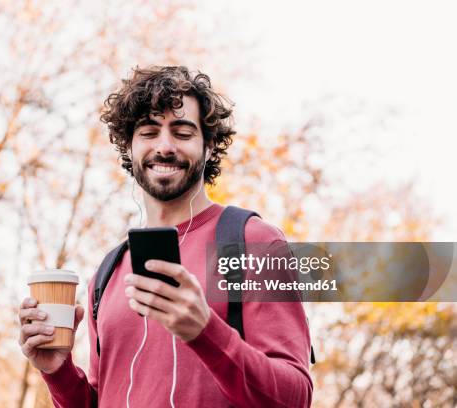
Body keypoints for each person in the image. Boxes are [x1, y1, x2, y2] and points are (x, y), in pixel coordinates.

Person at [18, 66, 313, 407]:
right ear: (127, 145)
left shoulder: (255, 242)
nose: (165, 146)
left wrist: (205, 331)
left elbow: (295, 398)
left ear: (209, 144)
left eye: (183, 132)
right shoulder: (107, 272)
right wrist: (58, 372)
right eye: (148, 132)